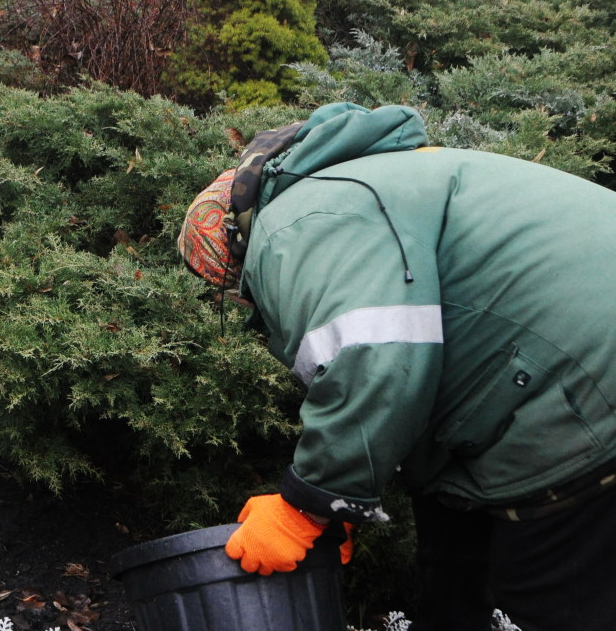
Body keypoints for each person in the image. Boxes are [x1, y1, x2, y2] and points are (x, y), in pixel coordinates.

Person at [178, 102, 616, 631]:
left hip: (585, 376)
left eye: (233, 290)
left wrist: (307, 506)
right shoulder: (375, 179)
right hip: (570, 356)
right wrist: (344, 505)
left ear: (233, 247)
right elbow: (422, 374)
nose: (249, 305)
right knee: (455, 569)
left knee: (543, 597)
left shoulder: (291, 223)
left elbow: (374, 355)